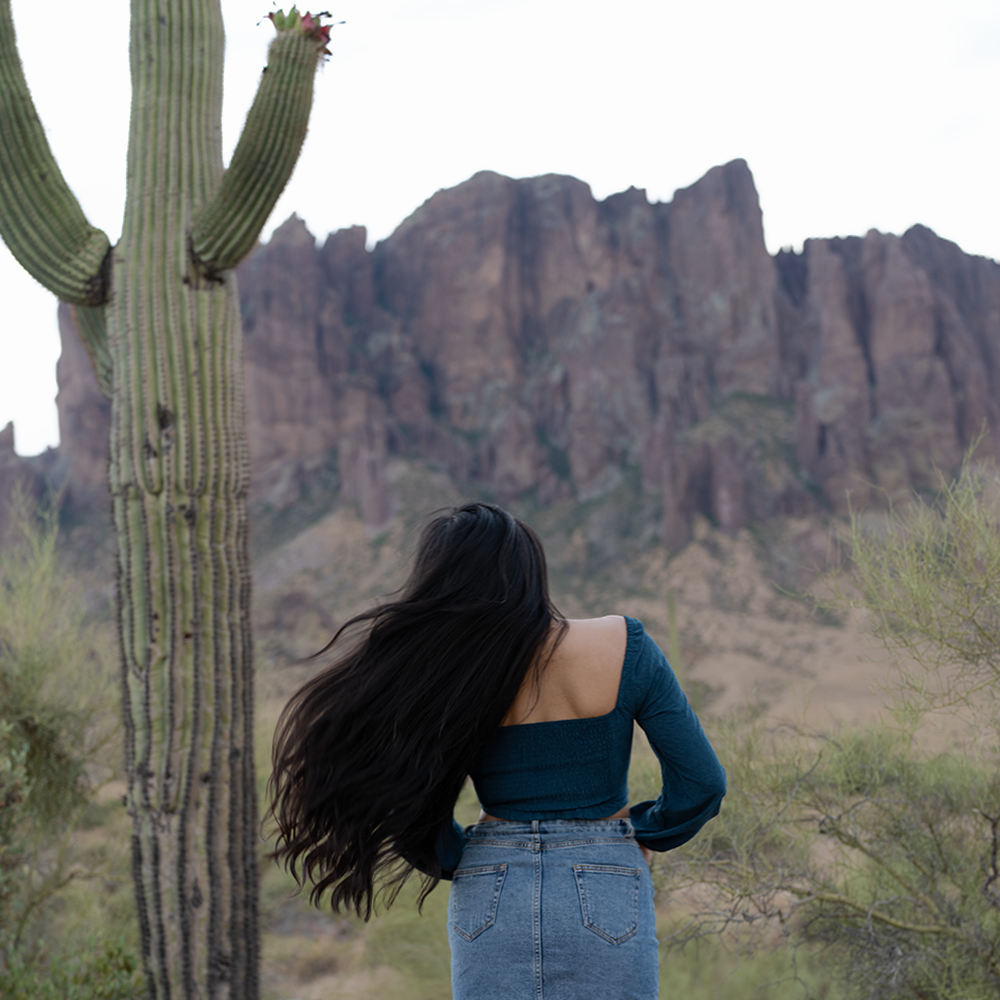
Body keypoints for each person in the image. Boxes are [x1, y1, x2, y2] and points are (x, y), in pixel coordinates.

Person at [268, 502, 726, 1000]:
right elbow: (702, 783)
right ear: (531, 570)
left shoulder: (447, 673)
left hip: (490, 880)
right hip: (605, 876)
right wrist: (640, 833)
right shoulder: (623, 644)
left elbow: (409, 808)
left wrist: (456, 857)